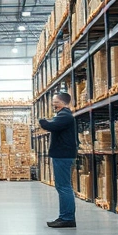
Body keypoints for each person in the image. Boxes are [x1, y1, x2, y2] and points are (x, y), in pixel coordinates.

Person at [39, 92, 78, 228]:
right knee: (62, 186)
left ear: (62, 103)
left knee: (64, 187)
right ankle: (65, 216)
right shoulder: (63, 115)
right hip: (63, 155)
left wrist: (42, 121)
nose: (53, 105)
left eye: (55, 102)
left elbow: (51, 126)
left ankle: (67, 218)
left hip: (63, 156)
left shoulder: (65, 115)